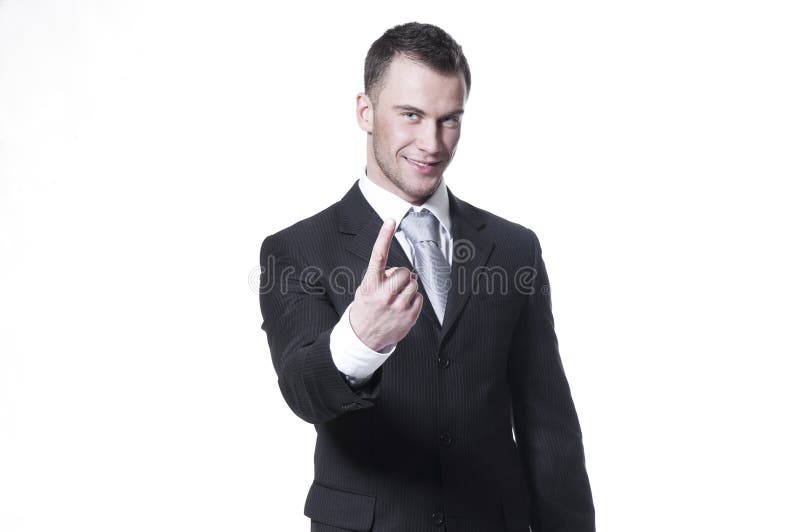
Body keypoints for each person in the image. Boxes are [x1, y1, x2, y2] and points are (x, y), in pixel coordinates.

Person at [258, 22, 594, 532]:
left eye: (449, 119)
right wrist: (359, 340)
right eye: (411, 115)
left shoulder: (514, 248)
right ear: (365, 112)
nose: (432, 143)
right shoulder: (296, 250)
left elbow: (547, 423)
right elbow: (303, 391)